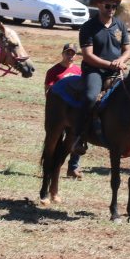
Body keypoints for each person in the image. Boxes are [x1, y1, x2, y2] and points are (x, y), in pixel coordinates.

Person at [72, 0, 130, 156]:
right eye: (108, 6)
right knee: (90, 97)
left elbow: (127, 50)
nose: (111, 9)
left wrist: (121, 60)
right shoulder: (88, 27)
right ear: (99, 5)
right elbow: (88, 56)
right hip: (94, 71)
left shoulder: (120, 25)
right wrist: (110, 64)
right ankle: (79, 136)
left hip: (116, 70)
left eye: (114, 6)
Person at [45, 43, 84, 178]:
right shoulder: (53, 71)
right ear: (62, 54)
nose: (70, 56)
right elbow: (48, 91)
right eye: (67, 53)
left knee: (77, 138)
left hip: (74, 111)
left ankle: (73, 167)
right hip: (59, 112)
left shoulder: (79, 71)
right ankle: (51, 166)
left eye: (73, 53)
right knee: (56, 139)